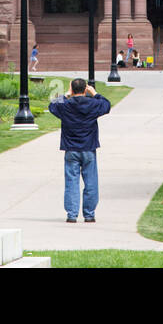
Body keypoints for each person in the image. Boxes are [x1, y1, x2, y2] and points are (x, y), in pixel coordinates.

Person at [47, 78, 113, 223]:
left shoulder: (65, 105)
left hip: (71, 148)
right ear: (85, 89)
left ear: (72, 89)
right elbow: (107, 105)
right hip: (89, 148)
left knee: (72, 182)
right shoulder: (93, 103)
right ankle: (89, 214)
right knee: (91, 182)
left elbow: (52, 105)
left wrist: (66, 94)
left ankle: (72, 214)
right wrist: (95, 93)